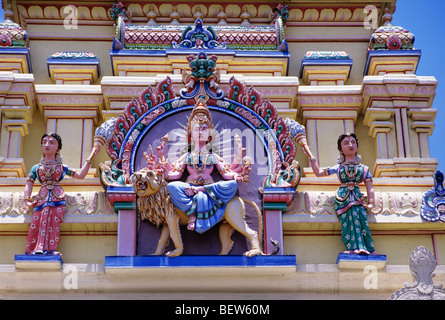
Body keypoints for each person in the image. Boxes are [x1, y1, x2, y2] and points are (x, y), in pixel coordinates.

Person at [151, 100, 249, 234]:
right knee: (171, 187)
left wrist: (236, 175)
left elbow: (226, 173)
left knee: (232, 185)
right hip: (189, 189)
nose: (200, 132)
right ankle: (192, 213)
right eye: (197, 128)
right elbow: (176, 175)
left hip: (208, 189)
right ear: (191, 133)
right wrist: (163, 167)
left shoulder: (213, 156)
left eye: (204, 129)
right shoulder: (187, 156)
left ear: (209, 135)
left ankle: (198, 198)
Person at [23, 132, 99, 256]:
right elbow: (29, 183)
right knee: (37, 223)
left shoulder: (62, 167)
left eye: (52, 142)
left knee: (53, 223)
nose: (47, 145)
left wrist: (90, 159)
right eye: (44, 142)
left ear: (58, 147)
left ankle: (51, 249)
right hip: (41, 199)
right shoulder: (36, 167)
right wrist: (26, 200)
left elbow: (80, 176)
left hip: (57, 198)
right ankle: (33, 249)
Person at [304, 132, 376, 254]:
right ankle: (353, 248)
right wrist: (312, 160)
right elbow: (319, 173)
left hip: (358, 198)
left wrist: (371, 203)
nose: (350, 145)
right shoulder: (339, 167)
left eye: (353, 142)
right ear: (341, 149)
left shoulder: (364, 168)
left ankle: (366, 248)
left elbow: (370, 187)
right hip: (343, 199)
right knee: (348, 222)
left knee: (361, 221)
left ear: (357, 146)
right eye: (346, 143)